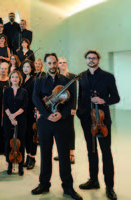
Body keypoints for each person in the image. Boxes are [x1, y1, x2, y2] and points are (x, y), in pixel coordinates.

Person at [31, 53, 82, 200]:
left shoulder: (68, 80)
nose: (53, 66)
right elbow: (35, 98)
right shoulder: (39, 80)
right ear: (46, 64)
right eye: (50, 63)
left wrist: (62, 114)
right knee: (45, 153)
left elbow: (72, 102)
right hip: (45, 121)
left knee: (64, 155)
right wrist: (46, 115)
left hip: (62, 122)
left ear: (58, 63)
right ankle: (44, 184)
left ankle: (68, 187)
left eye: (55, 63)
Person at [77, 50, 120, 200]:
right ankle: (93, 180)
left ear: (98, 60)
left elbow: (116, 97)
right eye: (89, 58)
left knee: (106, 153)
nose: (91, 60)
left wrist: (103, 101)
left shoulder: (108, 76)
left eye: (94, 58)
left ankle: (110, 187)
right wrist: (80, 112)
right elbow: (80, 96)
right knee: (91, 151)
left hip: (102, 121)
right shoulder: (81, 76)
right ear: (86, 60)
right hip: (87, 120)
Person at [3, 70, 28, 176]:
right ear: (10, 79)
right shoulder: (7, 91)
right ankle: (9, 163)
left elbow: (24, 106)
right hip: (8, 119)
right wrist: (10, 116)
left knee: (21, 141)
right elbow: (5, 105)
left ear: (19, 79)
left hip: (21, 119)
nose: (14, 79)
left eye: (16, 77)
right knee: (9, 141)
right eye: (13, 77)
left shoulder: (24, 91)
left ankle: (21, 165)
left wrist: (15, 115)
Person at [54, 57, 77, 164]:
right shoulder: (56, 77)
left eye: (64, 62)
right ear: (57, 65)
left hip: (69, 106)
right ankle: (62, 153)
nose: (62, 64)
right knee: (59, 130)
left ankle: (71, 153)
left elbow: (75, 93)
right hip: (59, 106)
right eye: (60, 63)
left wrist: (73, 107)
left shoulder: (72, 76)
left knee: (69, 129)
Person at [21, 60, 37, 169]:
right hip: (23, 111)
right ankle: (27, 156)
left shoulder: (34, 80)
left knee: (32, 135)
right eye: (24, 67)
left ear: (32, 68)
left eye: (28, 67)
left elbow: (37, 95)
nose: (26, 69)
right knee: (26, 134)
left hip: (32, 110)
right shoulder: (22, 80)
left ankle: (32, 157)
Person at [0, 62, 10, 154]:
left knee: (6, 127)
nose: (3, 70)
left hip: (7, 107)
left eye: (5, 68)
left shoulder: (10, 80)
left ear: (8, 70)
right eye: (2, 68)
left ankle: (6, 148)